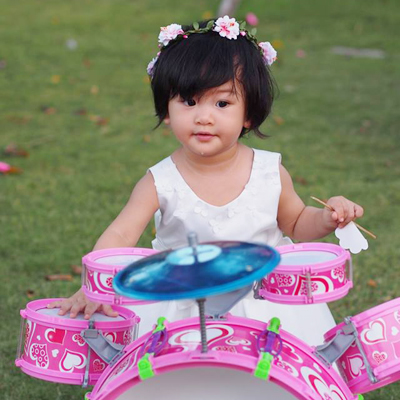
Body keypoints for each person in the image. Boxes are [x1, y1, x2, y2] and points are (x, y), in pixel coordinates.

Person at [48, 16, 363, 344]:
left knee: (272, 371)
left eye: (222, 103)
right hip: (183, 310)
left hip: (267, 308)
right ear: (166, 110)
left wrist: (327, 218)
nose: (203, 117)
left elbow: (296, 223)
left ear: (249, 114)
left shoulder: (268, 172)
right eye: (189, 101)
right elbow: (121, 233)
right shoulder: (160, 181)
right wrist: (93, 287)